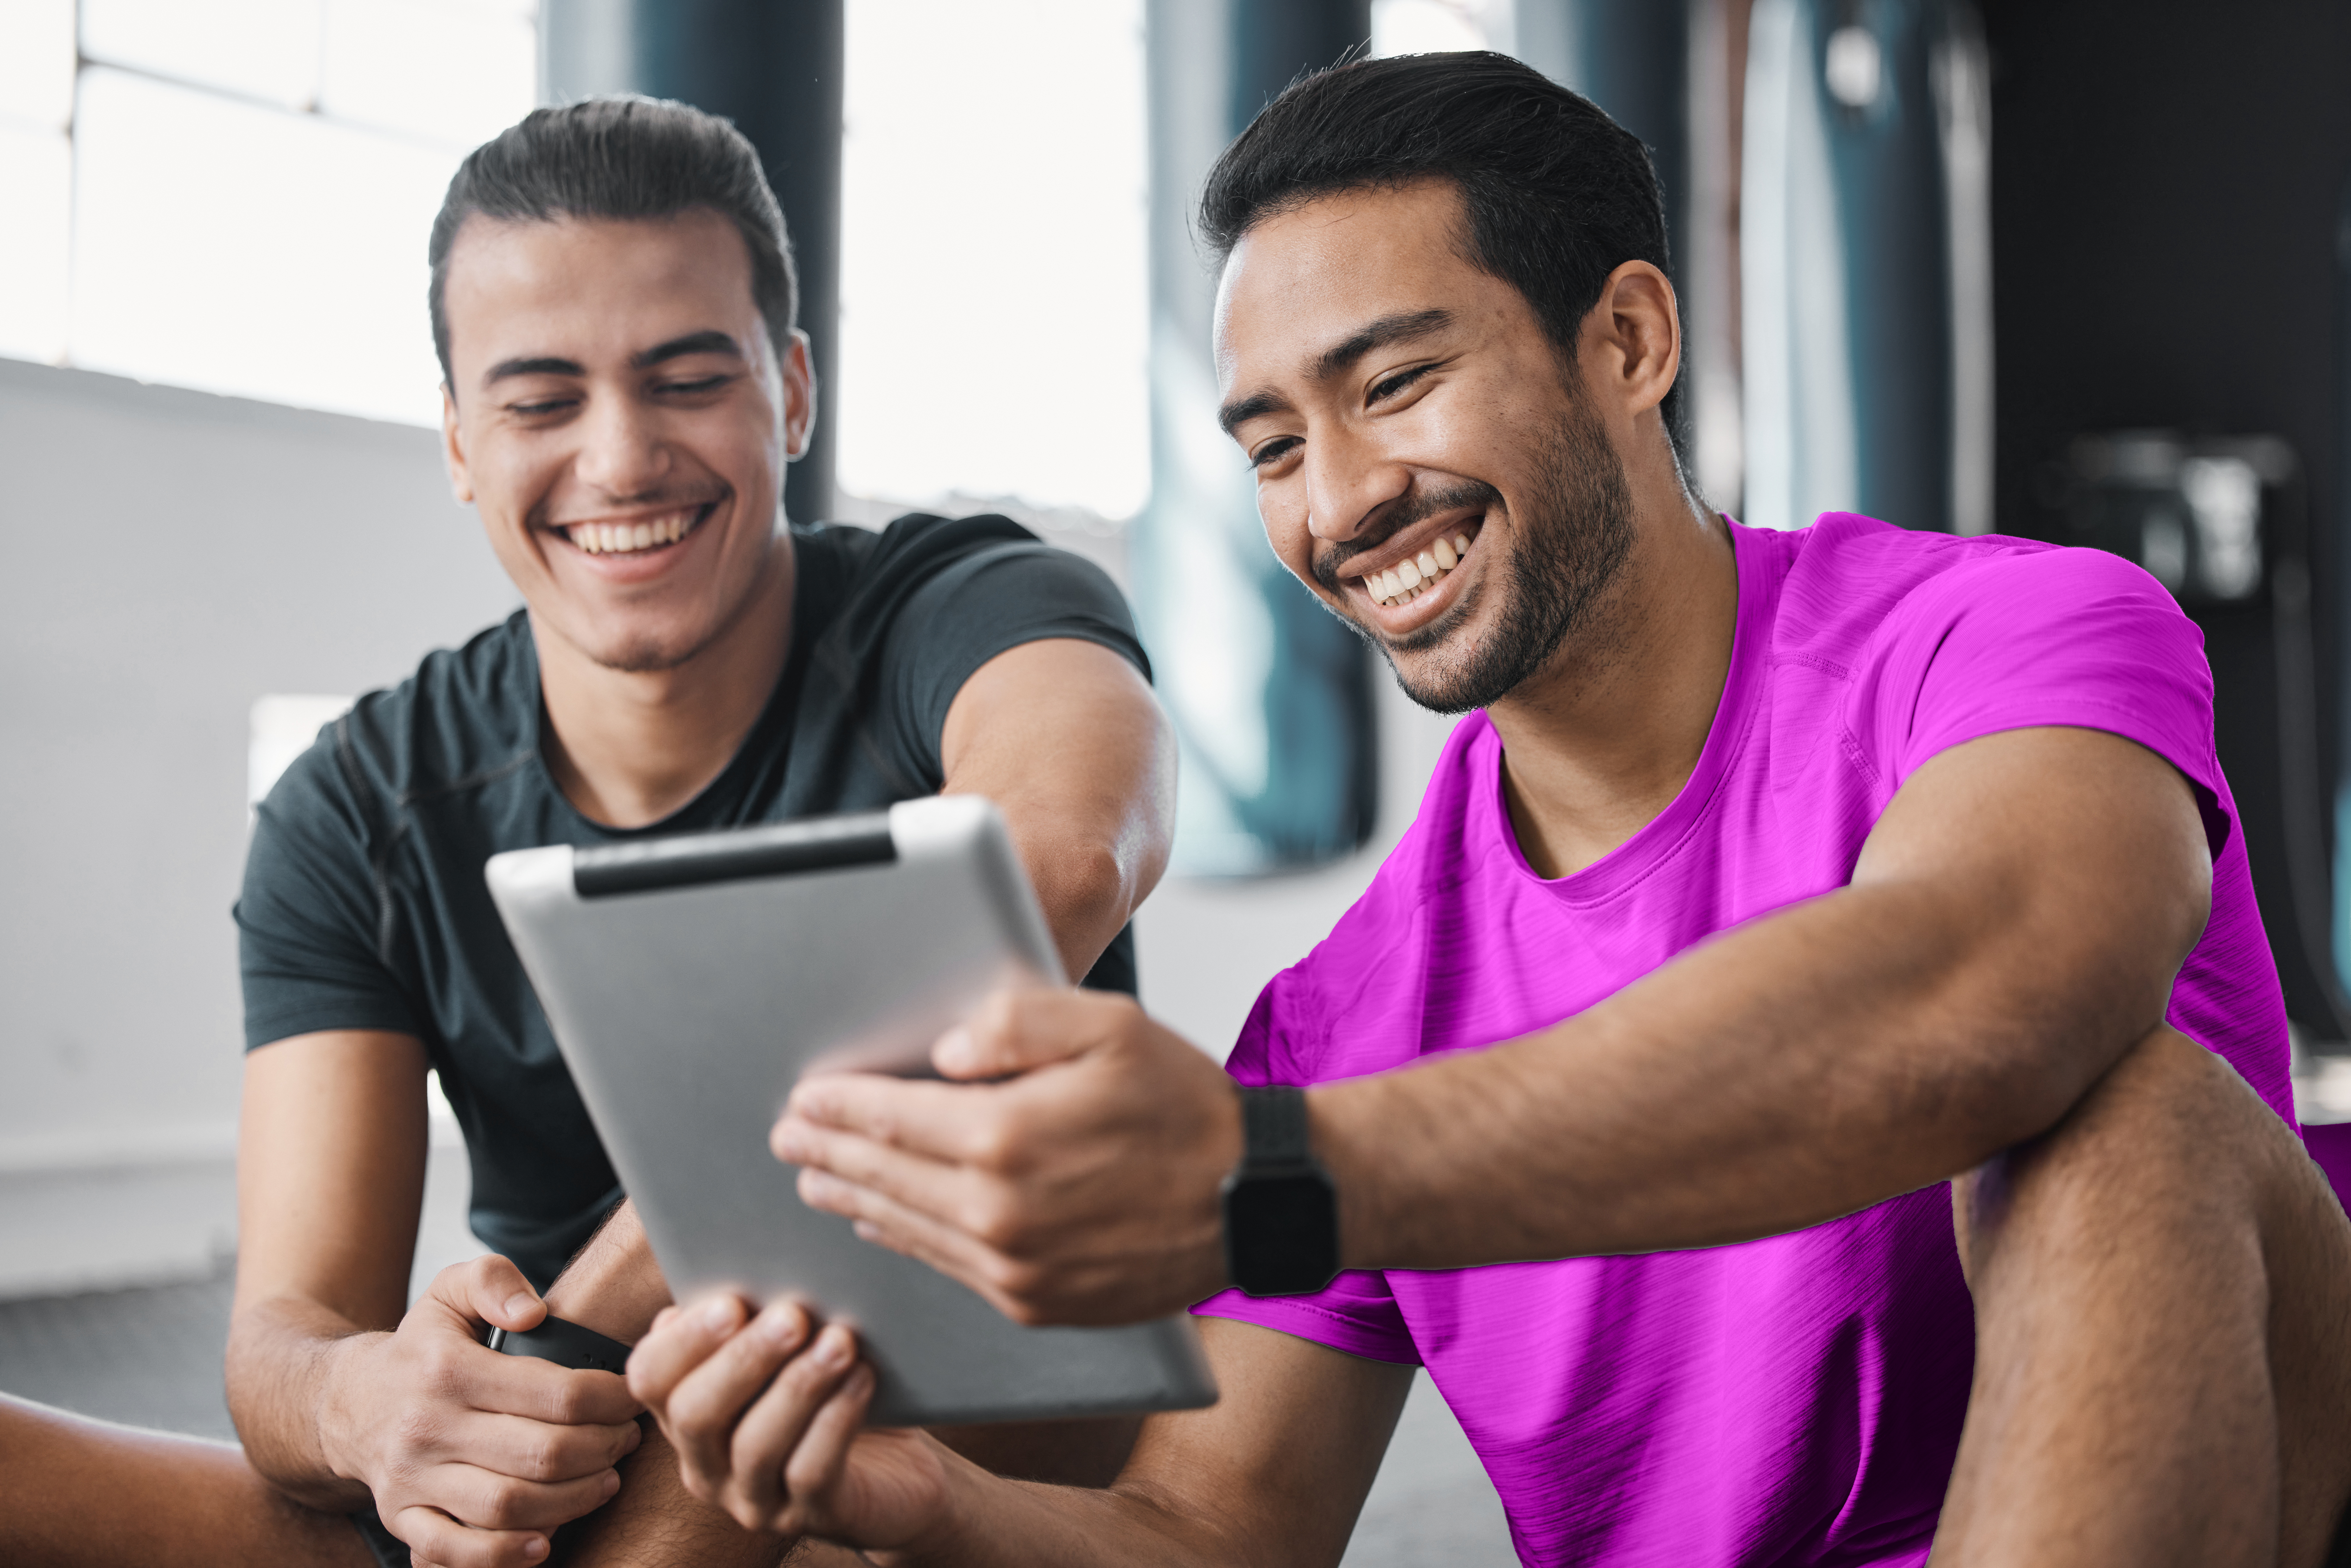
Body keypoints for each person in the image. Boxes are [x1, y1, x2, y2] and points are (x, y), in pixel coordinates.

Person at [626, 52, 2351, 1568]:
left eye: (1392, 384)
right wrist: (918, 1501)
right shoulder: (1346, 1015)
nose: (1340, 502)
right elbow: (1214, 1529)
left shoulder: (2004, 633)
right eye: (1272, 445)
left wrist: (1284, 1179)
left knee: (2135, 1112)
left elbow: (2003, 985)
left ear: (1629, 339)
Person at [225, 98, 1173, 1568]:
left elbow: (1051, 866)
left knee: (727, 1411)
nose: (620, 460)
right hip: (594, 1460)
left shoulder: (973, 609)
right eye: (541, 402)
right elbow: (283, 1335)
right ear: (462, 442)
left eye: (684, 381)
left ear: (790, 393)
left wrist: (592, 1319)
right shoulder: (357, 804)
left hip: (953, 1440)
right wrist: (369, 1404)